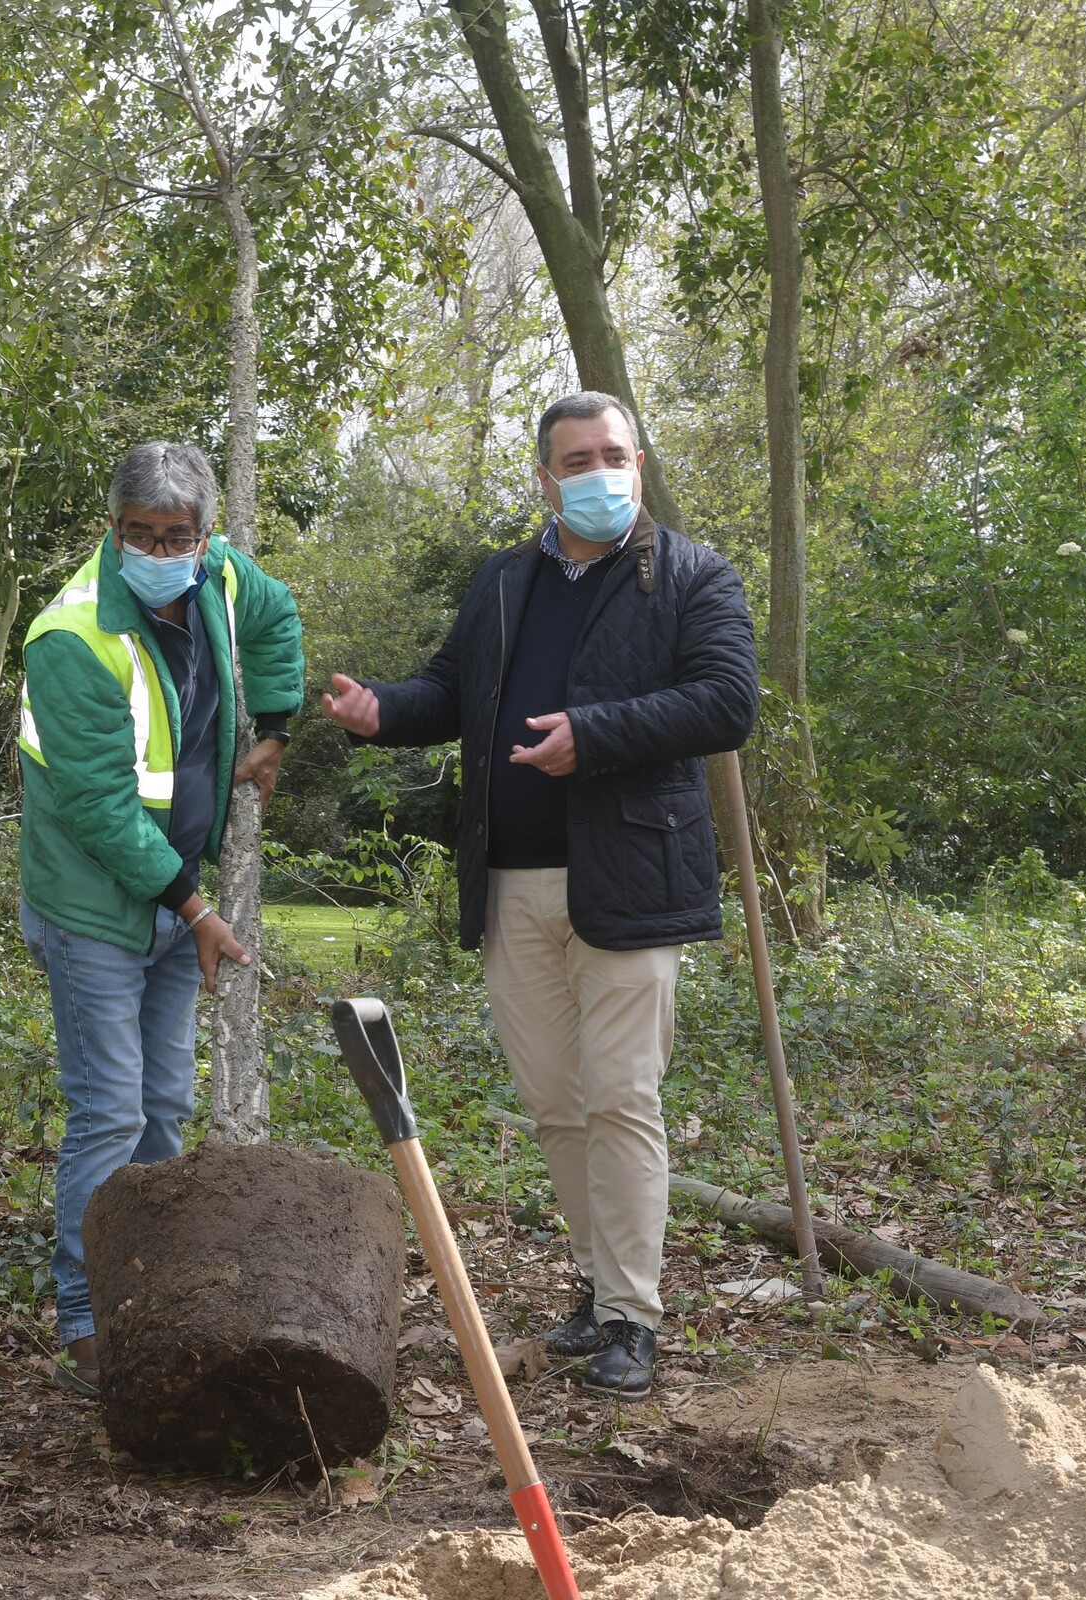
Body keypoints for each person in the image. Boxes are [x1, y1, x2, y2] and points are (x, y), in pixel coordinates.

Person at [320, 392, 757, 1398]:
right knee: (557, 1105)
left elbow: (726, 701)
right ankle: (599, 1288)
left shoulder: (691, 575)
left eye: (613, 454)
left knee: (622, 1096)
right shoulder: (504, 582)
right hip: (510, 882)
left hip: (632, 877)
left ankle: (632, 1318)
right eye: (576, 458)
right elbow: (453, 694)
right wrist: (381, 710)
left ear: (637, 464)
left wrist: (591, 734)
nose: (598, 471)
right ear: (543, 477)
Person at [17, 441, 303, 1395]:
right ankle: (88, 1322)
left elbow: (277, 619)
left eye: (175, 535)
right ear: (114, 529)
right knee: (110, 1110)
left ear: (205, 535)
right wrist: (195, 906)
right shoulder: (70, 638)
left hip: (183, 898)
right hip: (96, 901)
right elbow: (99, 808)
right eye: (138, 534)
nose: (157, 549)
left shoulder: (220, 579)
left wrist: (275, 728)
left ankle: (157, 1291)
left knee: (165, 1108)